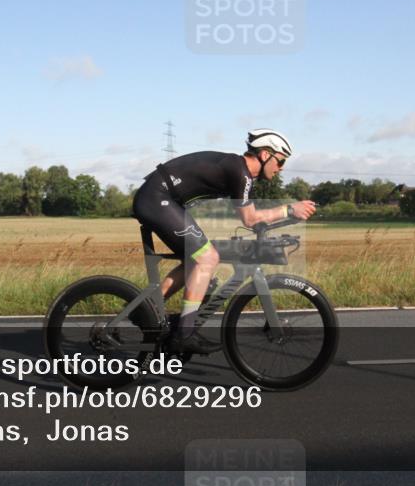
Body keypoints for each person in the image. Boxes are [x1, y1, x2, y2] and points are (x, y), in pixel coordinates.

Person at [131, 129, 317, 355]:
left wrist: (281, 218)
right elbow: (249, 219)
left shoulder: (240, 172)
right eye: (281, 161)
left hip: (164, 198)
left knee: (198, 260)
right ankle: (184, 335)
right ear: (266, 154)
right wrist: (289, 209)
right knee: (207, 257)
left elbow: (252, 215)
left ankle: (145, 309)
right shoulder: (240, 172)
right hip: (157, 198)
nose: (282, 168)